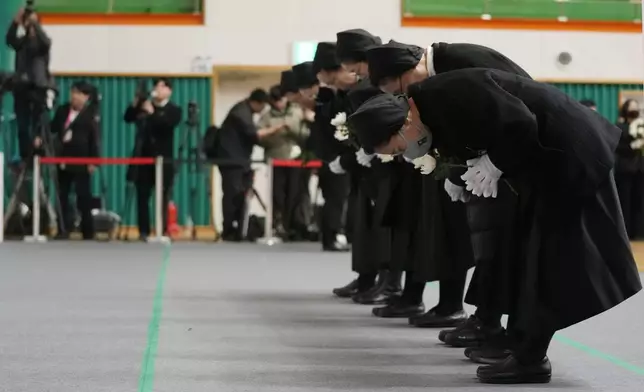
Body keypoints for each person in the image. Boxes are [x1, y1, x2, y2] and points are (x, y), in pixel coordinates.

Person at [348, 68, 642, 384]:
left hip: (573, 155)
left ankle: (531, 357)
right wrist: (457, 176)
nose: (406, 155)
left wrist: (495, 162)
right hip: (544, 165)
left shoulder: (447, 93)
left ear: (403, 123)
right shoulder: (428, 109)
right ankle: (517, 340)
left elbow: (520, 123)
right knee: (526, 252)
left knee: (549, 256)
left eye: (397, 148)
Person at [365, 40, 530, 337]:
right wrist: (457, 168)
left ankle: (506, 331)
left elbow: (514, 111)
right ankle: (486, 318)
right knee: (487, 241)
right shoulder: (436, 77)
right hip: (490, 160)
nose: (407, 98)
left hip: (518, 156)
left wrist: (493, 160)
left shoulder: (460, 61)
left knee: (507, 245)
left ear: (409, 69)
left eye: (401, 90)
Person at [331, 28, 403, 303]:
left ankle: (391, 282)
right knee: (369, 226)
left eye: (354, 67)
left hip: (392, 163)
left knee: (388, 225)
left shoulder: (378, 84)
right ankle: (373, 278)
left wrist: (371, 149)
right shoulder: (366, 83)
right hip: (373, 165)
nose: (354, 73)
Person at [215, 88, 283, 241]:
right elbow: (254, 134)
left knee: (241, 196)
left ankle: (240, 230)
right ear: (256, 103)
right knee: (232, 195)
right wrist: (275, 129)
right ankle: (228, 230)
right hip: (232, 162)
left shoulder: (244, 110)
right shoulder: (240, 112)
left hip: (241, 161)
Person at [124, 78, 182, 241]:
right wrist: (136, 103)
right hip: (143, 158)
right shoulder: (145, 106)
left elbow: (166, 125)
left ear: (169, 91)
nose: (158, 88)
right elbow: (128, 117)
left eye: (163, 86)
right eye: (156, 85)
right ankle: (143, 231)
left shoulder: (174, 109)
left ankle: (162, 230)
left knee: (163, 196)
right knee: (142, 196)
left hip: (163, 160)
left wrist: (152, 112)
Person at [44, 81, 98, 240]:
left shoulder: (91, 114)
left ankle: (87, 231)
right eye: (73, 92)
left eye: (78, 93)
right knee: (62, 195)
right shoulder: (62, 110)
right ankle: (63, 229)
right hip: (63, 157)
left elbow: (95, 139)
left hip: (82, 159)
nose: (74, 96)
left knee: (83, 196)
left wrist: (93, 161)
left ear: (86, 97)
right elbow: (53, 128)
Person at [257, 85, 310, 238]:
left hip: (295, 159)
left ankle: (293, 225)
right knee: (277, 194)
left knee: (294, 193)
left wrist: (292, 130)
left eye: (280, 100)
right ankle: (277, 224)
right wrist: (273, 133)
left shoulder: (297, 112)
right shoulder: (267, 116)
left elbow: (306, 134)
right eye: (275, 101)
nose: (278, 104)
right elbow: (258, 138)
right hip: (275, 160)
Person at [5, 7, 52, 160]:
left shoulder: (42, 43)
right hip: (22, 87)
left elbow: (45, 41)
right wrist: (15, 22)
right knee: (22, 123)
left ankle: (39, 146)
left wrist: (35, 23)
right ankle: (26, 152)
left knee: (38, 120)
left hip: (38, 86)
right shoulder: (22, 42)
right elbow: (9, 39)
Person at [614, 99, 644, 239]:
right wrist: (632, 147)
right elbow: (617, 147)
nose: (635, 109)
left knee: (639, 201)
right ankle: (625, 232)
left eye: (636, 107)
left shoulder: (641, 126)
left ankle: (639, 232)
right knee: (625, 201)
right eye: (632, 107)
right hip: (625, 170)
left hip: (640, 169)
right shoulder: (620, 126)